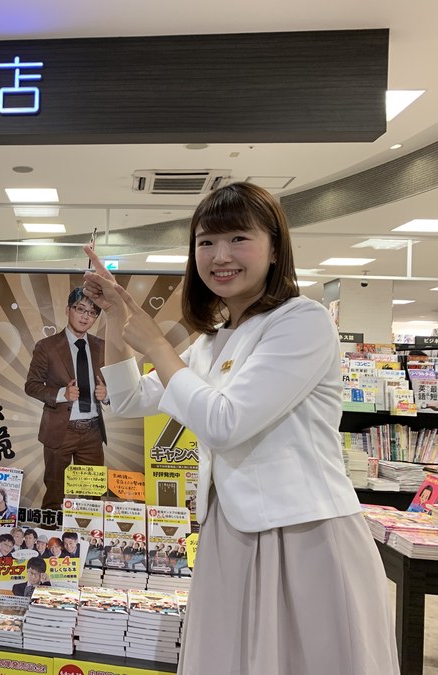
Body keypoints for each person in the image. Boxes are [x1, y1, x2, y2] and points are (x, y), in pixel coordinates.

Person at [82, 182, 399, 674]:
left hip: (303, 534)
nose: (220, 256)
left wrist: (157, 346)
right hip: (230, 533)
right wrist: (116, 317)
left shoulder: (303, 321)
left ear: (274, 248)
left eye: (238, 239)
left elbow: (225, 423)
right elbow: (126, 400)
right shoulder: (212, 341)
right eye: (206, 242)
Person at [25, 287, 107, 510]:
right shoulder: (47, 347)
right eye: (80, 309)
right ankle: (50, 531)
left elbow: (111, 383)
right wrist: (62, 394)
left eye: (92, 313)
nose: (85, 316)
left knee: (91, 496)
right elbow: (31, 386)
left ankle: (88, 533)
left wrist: (107, 395)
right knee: (55, 494)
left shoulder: (101, 346)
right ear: (68, 309)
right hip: (60, 430)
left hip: (92, 431)